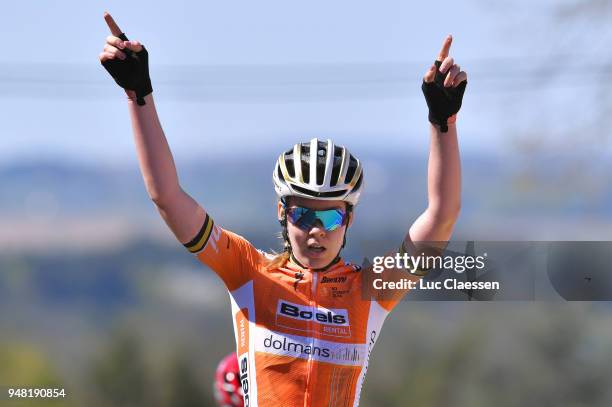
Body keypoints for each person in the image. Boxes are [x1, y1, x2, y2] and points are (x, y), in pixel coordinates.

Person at [99, 11, 466, 407]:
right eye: (302, 215)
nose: (315, 230)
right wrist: (139, 94)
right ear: (281, 213)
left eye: (329, 216)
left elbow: (442, 214)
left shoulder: (369, 291)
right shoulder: (247, 271)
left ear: (349, 220)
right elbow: (167, 197)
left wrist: (442, 120)